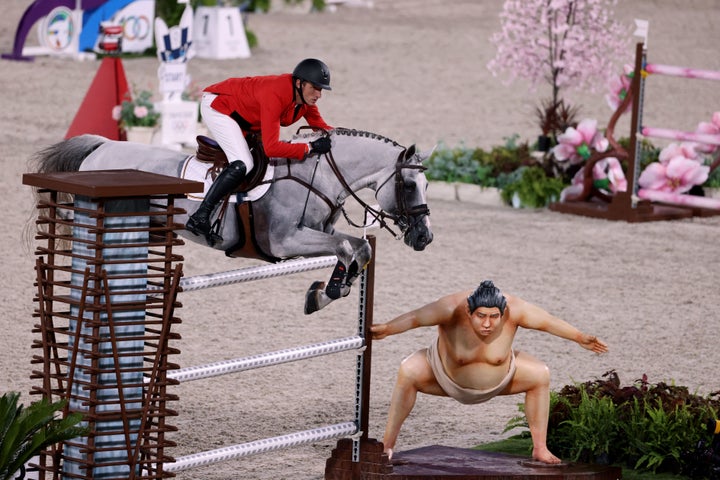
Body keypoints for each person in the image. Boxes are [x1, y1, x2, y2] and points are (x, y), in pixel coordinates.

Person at [370, 280, 608, 464]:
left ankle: (540, 448)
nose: (487, 324)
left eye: (494, 317)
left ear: (502, 312)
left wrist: (579, 337)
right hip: (444, 379)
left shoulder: (515, 309)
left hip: (501, 381)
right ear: (469, 311)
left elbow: (547, 321)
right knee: (408, 369)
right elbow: (416, 317)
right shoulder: (450, 308)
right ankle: (386, 446)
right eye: (481, 316)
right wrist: (389, 328)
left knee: (539, 373)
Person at [186, 58, 335, 244]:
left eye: (321, 89)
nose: (318, 94)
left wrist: (345, 136)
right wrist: (309, 147)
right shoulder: (276, 93)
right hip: (219, 107)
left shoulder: (304, 100)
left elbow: (322, 128)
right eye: (315, 88)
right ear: (299, 83)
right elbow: (272, 147)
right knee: (243, 163)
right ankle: (200, 216)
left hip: (246, 116)